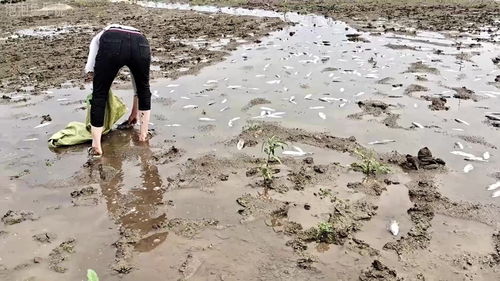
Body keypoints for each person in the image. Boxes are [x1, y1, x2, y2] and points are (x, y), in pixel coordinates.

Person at [84, 24, 152, 157]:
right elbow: (138, 85)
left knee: (100, 93)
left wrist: (94, 77)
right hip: (141, 42)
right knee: (144, 89)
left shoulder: (98, 38)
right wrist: (134, 114)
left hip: (112, 42)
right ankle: (143, 135)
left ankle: (96, 146)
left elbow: (91, 70)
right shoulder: (139, 35)